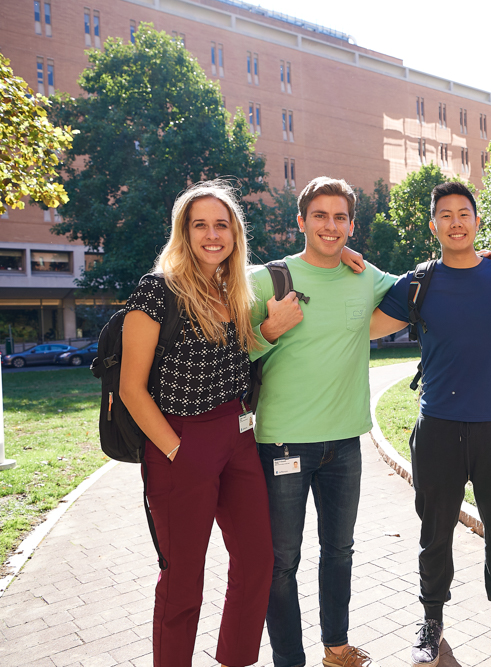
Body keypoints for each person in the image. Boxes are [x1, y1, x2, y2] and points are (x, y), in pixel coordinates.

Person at [369, 182, 491, 667]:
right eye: (444, 215)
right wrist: (351, 268)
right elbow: (361, 326)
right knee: (435, 534)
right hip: (439, 430)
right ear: (434, 226)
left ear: (476, 220)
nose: (455, 221)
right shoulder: (417, 283)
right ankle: (431, 621)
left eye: (463, 213)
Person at [120, 180, 274, 667]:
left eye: (221, 224)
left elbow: (234, 359)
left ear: (235, 233)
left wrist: (348, 255)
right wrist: (175, 450)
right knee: (184, 580)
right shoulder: (157, 290)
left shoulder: (231, 287)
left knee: (256, 561)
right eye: (200, 224)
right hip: (180, 441)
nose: (212, 234)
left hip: (238, 437)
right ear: (183, 232)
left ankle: (235, 659)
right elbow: (130, 388)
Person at [250, 177, 391, 667]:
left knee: (340, 551)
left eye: (339, 218)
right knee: (281, 561)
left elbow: (424, 286)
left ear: (351, 225)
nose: (330, 226)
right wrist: (268, 331)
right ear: (301, 221)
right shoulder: (267, 279)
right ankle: (289, 658)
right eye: (320, 216)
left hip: (345, 446)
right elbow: (228, 352)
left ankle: (336, 647)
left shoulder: (365, 275)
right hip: (283, 444)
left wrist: (488, 259)